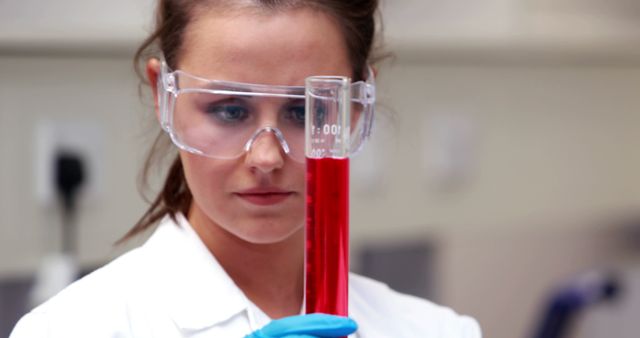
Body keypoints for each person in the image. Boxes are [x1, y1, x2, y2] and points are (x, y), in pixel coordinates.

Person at [11, 0, 481, 337]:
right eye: (230, 110)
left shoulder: (437, 329)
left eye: (305, 112)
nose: (266, 158)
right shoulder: (70, 328)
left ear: (356, 107)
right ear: (163, 96)